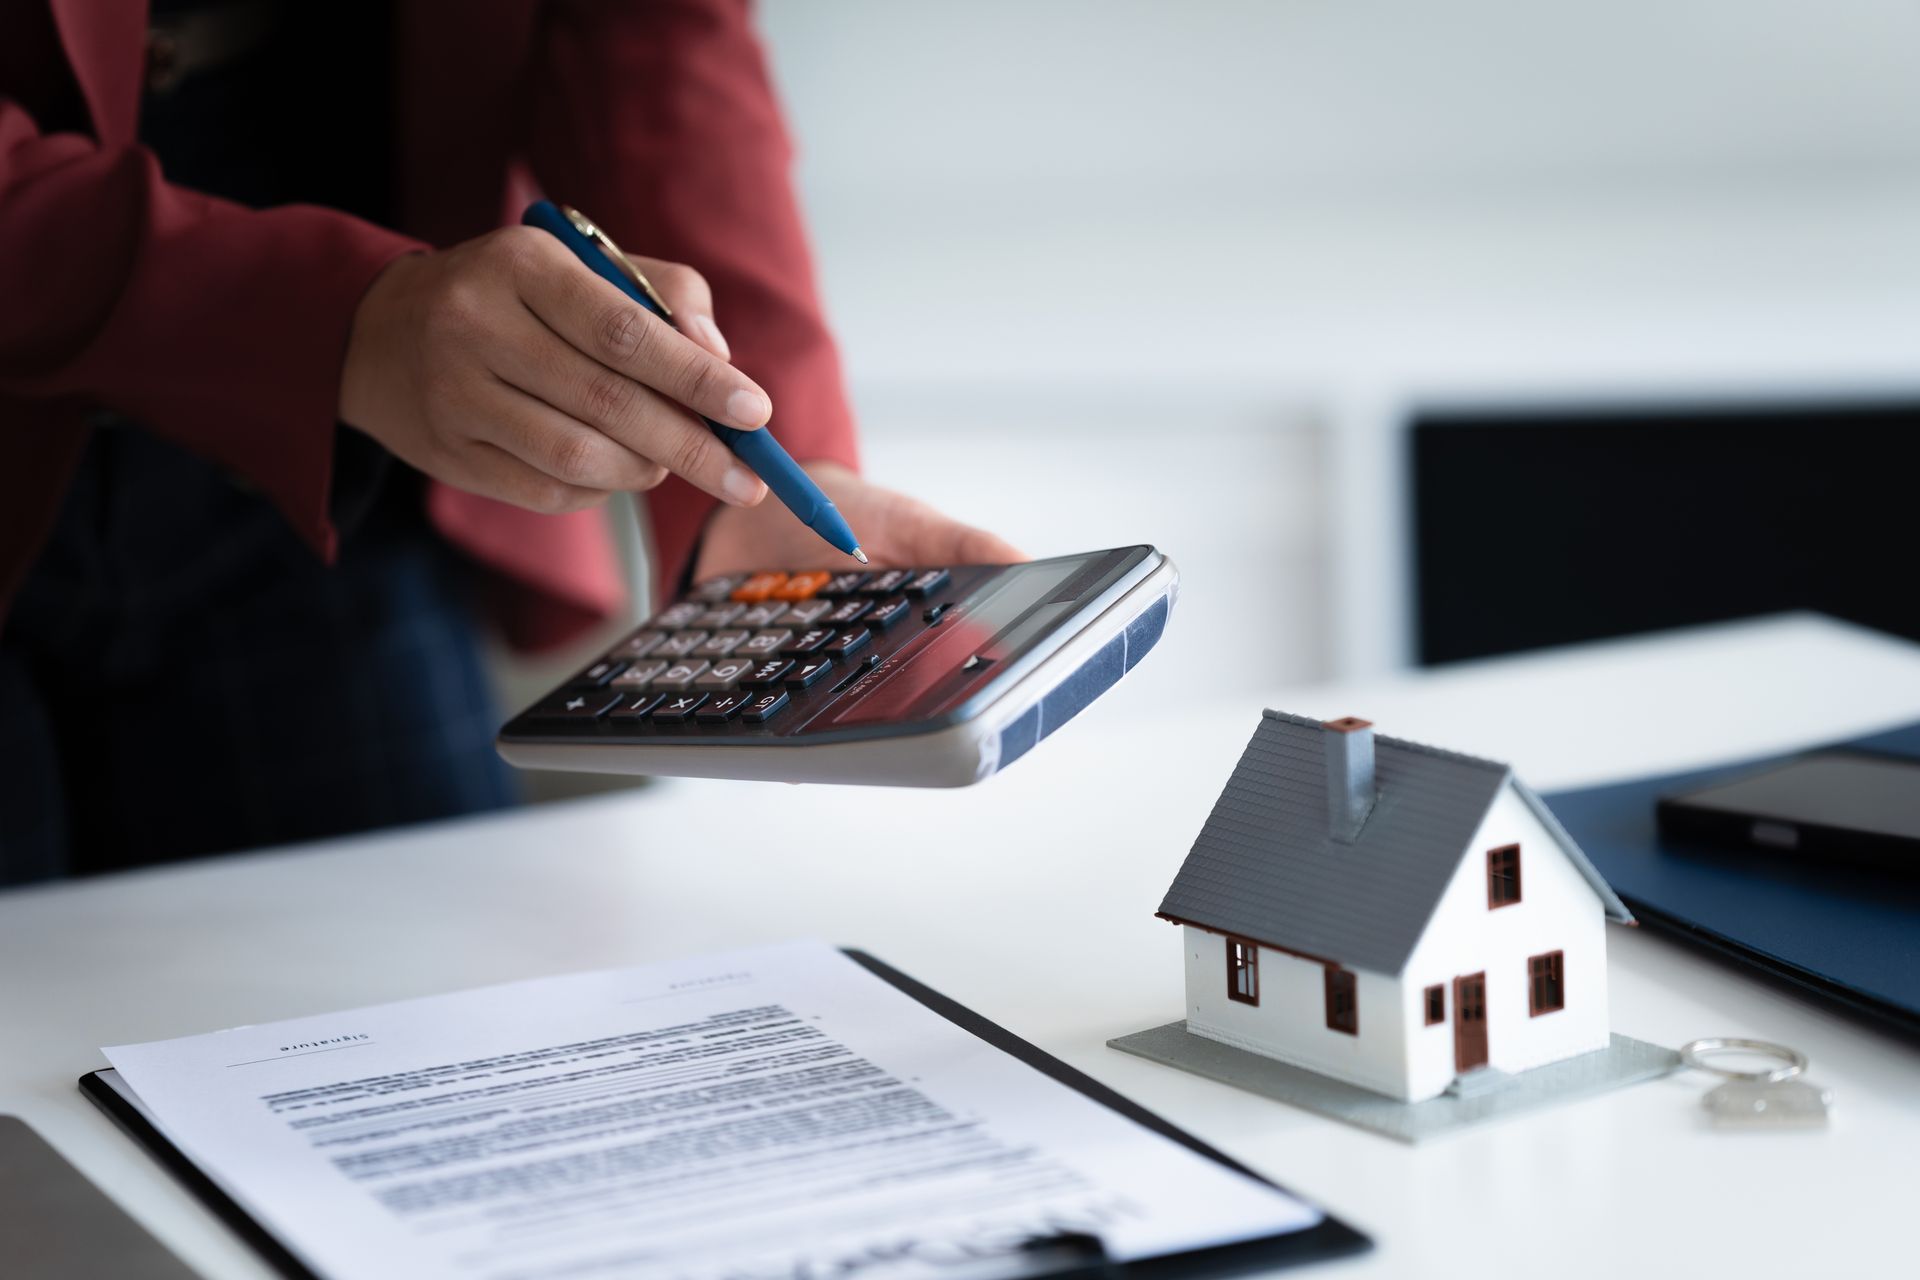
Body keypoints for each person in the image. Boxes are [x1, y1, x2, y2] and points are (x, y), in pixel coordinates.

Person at [0, 0, 1019, 883]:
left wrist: (762, 461)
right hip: (332, 337)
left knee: (434, 1018)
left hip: (337, 481)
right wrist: (334, 320)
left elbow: (651, 51)